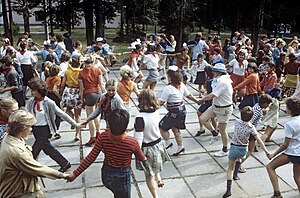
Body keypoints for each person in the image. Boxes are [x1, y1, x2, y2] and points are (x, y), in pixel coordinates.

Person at [67, 109, 148, 198]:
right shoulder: (132, 142)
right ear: (125, 126)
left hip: (107, 175)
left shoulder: (103, 136)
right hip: (122, 177)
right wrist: (145, 159)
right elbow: (141, 158)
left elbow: (91, 158)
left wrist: (75, 173)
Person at [0, 109, 70, 198]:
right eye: (30, 126)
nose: (31, 129)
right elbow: (38, 169)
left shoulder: (10, 138)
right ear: (24, 128)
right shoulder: (16, 151)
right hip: (19, 193)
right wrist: (63, 175)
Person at [27, 78, 80, 172]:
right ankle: (64, 163)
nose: (31, 92)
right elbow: (28, 114)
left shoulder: (48, 102)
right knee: (47, 149)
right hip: (35, 129)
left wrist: (74, 123)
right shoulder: (31, 102)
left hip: (44, 129)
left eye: (33, 90)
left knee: (34, 150)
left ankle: (28, 166)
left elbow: (61, 113)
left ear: (39, 91)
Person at [223, 106, 270, 198]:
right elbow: (259, 141)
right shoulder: (251, 127)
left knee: (230, 169)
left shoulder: (237, 122)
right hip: (243, 149)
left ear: (241, 115)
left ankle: (228, 190)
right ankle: (236, 175)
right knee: (240, 159)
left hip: (234, 147)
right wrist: (266, 151)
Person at [134, 89, 170, 197]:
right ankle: (158, 178)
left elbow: (139, 137)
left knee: (149, 174)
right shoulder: (156, 111)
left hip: (146, 148)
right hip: (158, 143)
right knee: (155, 164)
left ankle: (155, 196)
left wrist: (136, 151)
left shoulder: (140, 117)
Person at [159, 66, 200, 156]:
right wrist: (197, 101)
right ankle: (180, 148)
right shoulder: (182, 85)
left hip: (174, 112)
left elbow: (161, 102)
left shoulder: (168, 88)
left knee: (162, 127)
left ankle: (167, 143)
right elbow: (188, 95)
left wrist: (152, 108)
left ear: (170, 77)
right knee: (176, 130)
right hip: (182, 110)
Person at [266, 97, 300, 198]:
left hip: (293, 152)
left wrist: (273, 154)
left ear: (290, 110)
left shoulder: (290, 124)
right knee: (297, 176)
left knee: (270, 167)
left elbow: (286, 144)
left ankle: (277, 194)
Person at [199, 63, 233, 157]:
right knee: (202, 119)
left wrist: (202, 99)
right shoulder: (218, 80)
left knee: (223, 130)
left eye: (214, 71)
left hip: (224, 108)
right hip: (216, 106)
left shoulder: (223, 82)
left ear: (219, 72)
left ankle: (225, 149)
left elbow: (213, 95)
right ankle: (214, 133)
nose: (212, 72)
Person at [78, 55, 105, 146]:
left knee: (90, 118)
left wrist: (81, 99)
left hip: (89, 94)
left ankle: (92, 137)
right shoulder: (98, 70)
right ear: (92, 62)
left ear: (85, 63)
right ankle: (98, 132)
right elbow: (101, 83)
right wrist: (104, 94)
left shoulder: (81, 73)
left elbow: (81, 88)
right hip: (98, 93)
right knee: (96, 114)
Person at [60, 57, 82, 141]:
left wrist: (61, 93)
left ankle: (72, 119)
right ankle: (77, 134)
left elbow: (62, 84)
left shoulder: (67, 71)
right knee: (78, 115)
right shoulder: (80, 72)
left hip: (68, 91)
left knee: (68, 109)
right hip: (77, 91)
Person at [195, 66, 217, 136]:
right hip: (210, 99)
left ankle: (204, 128)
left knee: (200, 112)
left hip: (209, 100)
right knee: (212, 116)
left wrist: (204, 93)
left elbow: (210, 92)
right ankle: (214, 129)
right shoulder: (210, 79)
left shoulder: (211, 80)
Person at [46, 64, 62, 139]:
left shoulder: (48, 79)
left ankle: (49, 131)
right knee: (57, 114)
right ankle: (56, 130)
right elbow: (54, 89)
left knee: (49, 114)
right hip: (54, 96)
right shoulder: (57, 79)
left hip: (48, 95)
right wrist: (59, 96)